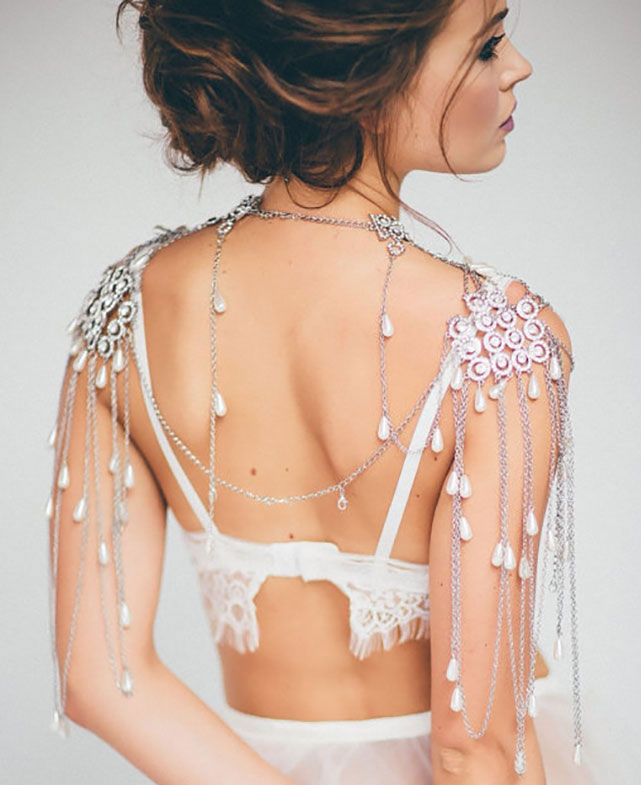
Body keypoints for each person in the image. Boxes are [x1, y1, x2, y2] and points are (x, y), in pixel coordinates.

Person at [46, 0, 593, 782]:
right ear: (369, 75)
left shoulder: (127, 312)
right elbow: (471, 745)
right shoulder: (496, 341)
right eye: (487, 44)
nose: (517, 67)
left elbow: (99, 677)